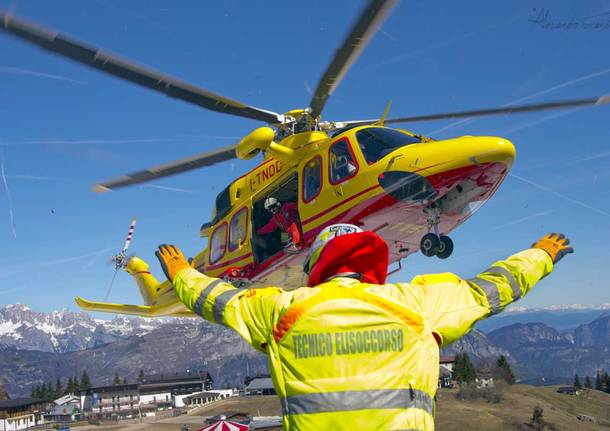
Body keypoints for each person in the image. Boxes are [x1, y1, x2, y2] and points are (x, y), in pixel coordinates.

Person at [155, 228, 572, 431]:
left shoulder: (280, 309)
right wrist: (540, 256)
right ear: (371, 266)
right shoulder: (417, 304)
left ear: (316, 268)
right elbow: (489, 291)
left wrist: (181, 273)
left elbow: (217, 300)